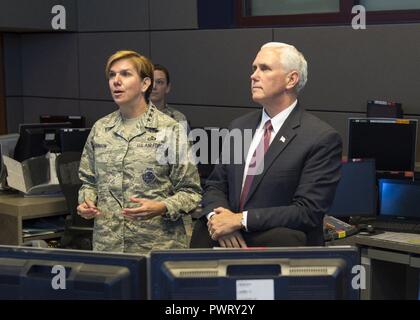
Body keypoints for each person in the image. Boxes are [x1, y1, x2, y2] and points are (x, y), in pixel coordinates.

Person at [190, 42, 342, 248]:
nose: (253, 76)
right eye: (254, 68)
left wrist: (240, 220)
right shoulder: (239, 126)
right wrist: (219, 220)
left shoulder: (320, 137)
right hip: (225, 247)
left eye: (265, 68)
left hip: (283, 254)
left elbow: (308, 211)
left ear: (291, 79)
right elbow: (216, 185)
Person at [77, 50, 202, 253]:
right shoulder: (101, 129)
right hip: (109, 247)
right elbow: (88, 182)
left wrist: (161, 207)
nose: (116, 81)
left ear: (145, 84)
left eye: (125, 74)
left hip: (156, 248)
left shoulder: (169, 129)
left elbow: (191, 193)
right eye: (112, 75)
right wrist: (86, 202)